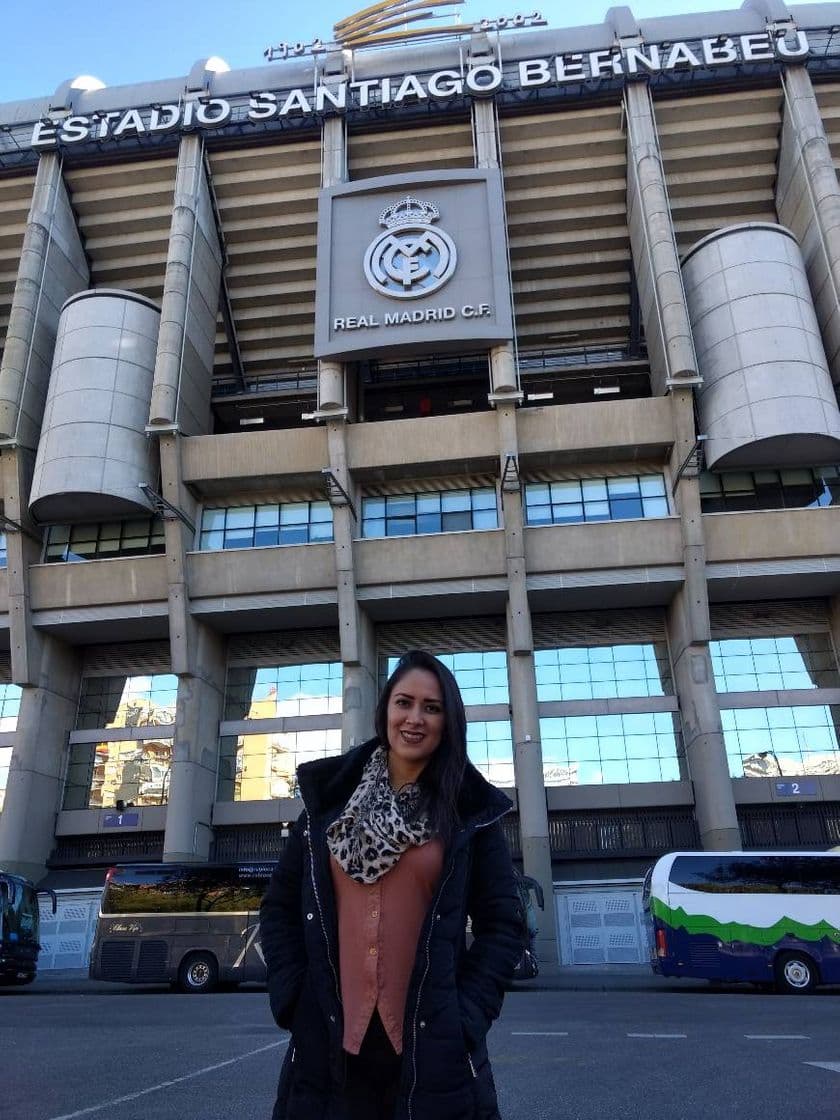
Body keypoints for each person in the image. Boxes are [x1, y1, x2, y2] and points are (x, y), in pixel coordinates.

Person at [259, 649, 522, 1120]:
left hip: (431, 1048)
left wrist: (466, 1018)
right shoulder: (328, 805)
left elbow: (503, 925)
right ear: (385, 710)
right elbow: (278, 908)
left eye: (432, 707)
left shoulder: (468, 813)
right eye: (404, 702)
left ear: (449, 721)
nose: (414, 718)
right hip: (330, 1045)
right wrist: (294, 999)